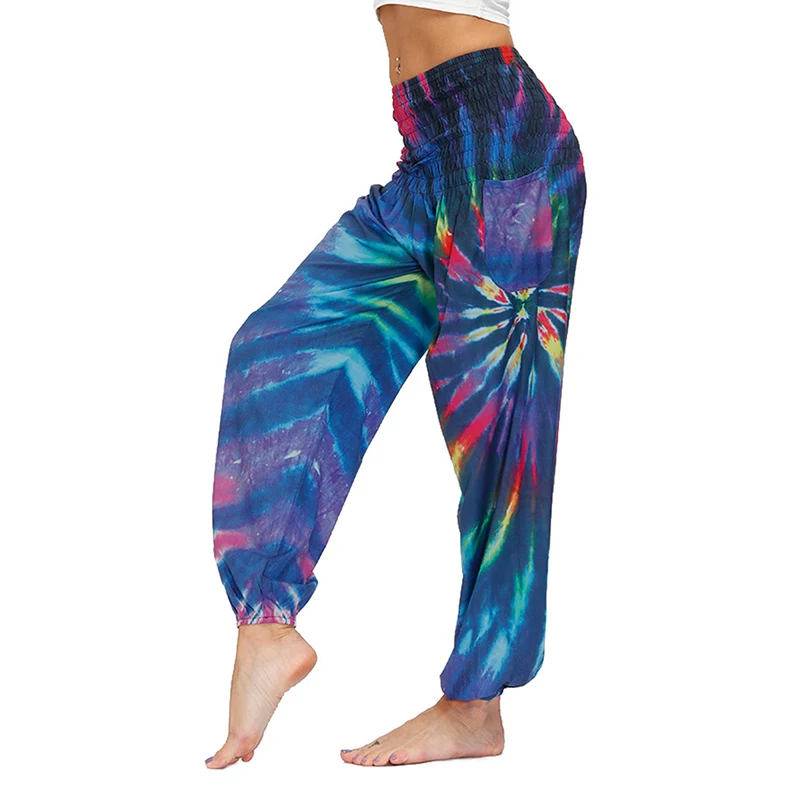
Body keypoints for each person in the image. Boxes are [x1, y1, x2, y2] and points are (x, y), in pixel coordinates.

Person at [205, 1, 587, 769]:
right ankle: (267, 622)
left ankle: (475, 707)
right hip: (430, 152)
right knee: (274, 348)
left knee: (499, 446)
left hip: (504, 151)